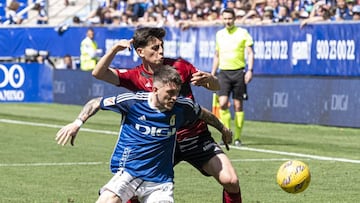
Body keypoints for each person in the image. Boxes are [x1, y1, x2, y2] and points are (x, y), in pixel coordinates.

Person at [92, 27, 242, 202]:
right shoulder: (135, 75)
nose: (161, 51)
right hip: (160, 144)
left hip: (195, 136)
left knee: (231, 181)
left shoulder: (180, 66)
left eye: (162, 46)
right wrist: (114, 50)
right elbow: (98, 73)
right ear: (140, 52)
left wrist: (210, 79)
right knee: (132, 191)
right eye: (155, 48)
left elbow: (216, 88)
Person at [55, 65, 233, 203]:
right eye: (170, 93)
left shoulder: (182, 106)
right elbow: (96, 102)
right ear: (155, 90)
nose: (173, 97)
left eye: (176, 93)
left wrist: (223, 129)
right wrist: (77, 123)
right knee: (107, 200)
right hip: (130, 173)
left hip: (160, 182)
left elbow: (203, 114)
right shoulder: (133, 102)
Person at [211, 8, 254, 147]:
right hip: (223, 73)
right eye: (225, 18)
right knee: (223, 103)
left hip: (238, 72)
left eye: (230, 18)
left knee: (238, 105)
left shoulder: (243, 33)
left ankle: (238, 137)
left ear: (234, 19)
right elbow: (217, 55)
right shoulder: (219, 34)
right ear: (222, 19)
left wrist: (250, 70)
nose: (227, 21)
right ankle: (226, 134)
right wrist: (212, 73)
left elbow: (250, 53)